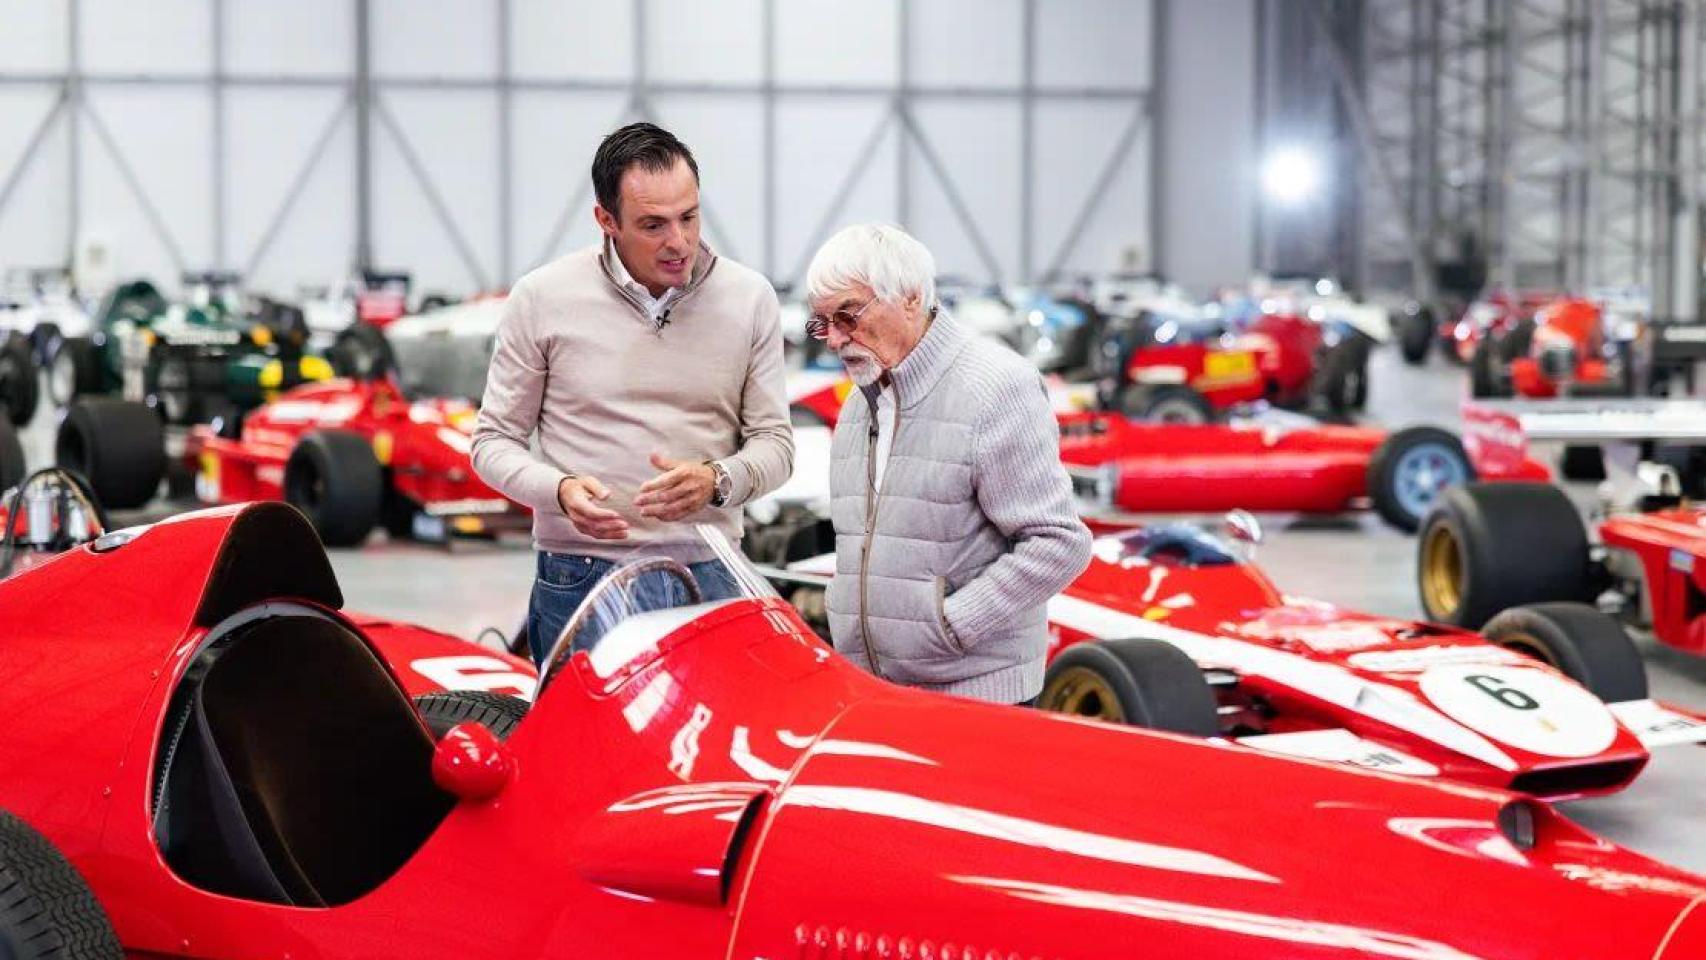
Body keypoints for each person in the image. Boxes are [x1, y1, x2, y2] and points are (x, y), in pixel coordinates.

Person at [472, 122, 792, 665]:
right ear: (606, 221)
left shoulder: (748, 299)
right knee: (591, 750)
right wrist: (560, 489)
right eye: (652, 225)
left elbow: (776, 446)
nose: (679, 242)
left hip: (714, 570)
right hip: (583, 573)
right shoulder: (543, 299)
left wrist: (717, 481)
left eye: (689, 217)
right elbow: (492, 443)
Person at [806, 224, 1092, 705]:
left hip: (976, 700)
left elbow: (1058, 543)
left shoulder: (996, 388)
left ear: (912, 299)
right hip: (874, 691)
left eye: (848, 316)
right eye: (821, 322)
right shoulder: (860, 405)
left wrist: (950, 626)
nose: (833, 340)